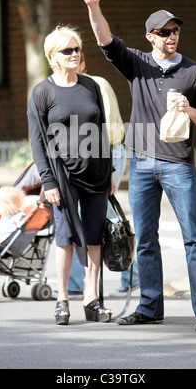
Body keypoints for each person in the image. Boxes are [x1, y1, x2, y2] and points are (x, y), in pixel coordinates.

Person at [78, 0, 196, 332]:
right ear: (150, 37)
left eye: (175, 31)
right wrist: (94, 6)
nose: (171, 36)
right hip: (141, 163)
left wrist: (190, 110)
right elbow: (104, 40)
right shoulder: (136, 63)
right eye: (164, 32)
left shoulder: (194, 73)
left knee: (193, 237)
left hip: (178, 165)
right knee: (145, 239)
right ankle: (150, 306)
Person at [27, 25, 114, 325]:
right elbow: (37, 141)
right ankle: (62, 299)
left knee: (94, 238)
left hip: (97, 174)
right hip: (62, 178)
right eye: (68, 50)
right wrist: (48, 181)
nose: (75, 54)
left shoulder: (91, 86)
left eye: (77, 49)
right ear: (53, 57)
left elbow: (102, 130)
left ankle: (92, 299)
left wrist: (111, 172)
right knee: (64, 238)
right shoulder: (42, 93)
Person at [66, 50, 139, 298]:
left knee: (107, 215)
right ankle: (77, 282)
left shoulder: (97, 84)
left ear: (83, 63)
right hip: (86, 158)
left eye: (76, 57)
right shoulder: (66, 90)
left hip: (106, 154)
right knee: (83, 217)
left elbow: (103, 126)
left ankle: (131, 274)